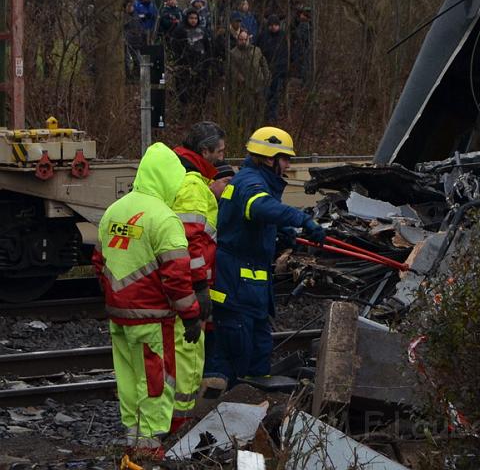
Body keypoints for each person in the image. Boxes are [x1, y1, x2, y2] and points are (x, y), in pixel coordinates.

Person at [92, 142, 201, 459]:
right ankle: (150, 448)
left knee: (128, 380)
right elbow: (177, 278)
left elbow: (99, 261)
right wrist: (191, 315)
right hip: (152, 318)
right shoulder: (165, 219)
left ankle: (134, 440)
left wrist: (117, 295)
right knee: (156, 381)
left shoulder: (115, 210)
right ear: (166, 178)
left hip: (118, 316)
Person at [205, 127, 325, 387]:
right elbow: (259, 206)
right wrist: (302, 220)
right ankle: (228, 413)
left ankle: (252, 408)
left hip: (250, 290)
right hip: (238, 288)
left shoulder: (254, 180)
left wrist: (282, 232)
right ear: (271, 159)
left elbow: (252, 219)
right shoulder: (251, 183)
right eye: (286, 159)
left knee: (257, 355)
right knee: (237, 360)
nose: (288, 165)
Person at [169, 122, 226, 433]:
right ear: (204, 151)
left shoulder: (184, 176)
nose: (220, 158)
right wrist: (201, 286)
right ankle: (181, 425)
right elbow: (192, 241)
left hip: (183, 281)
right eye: (218, 152)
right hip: (190, 286)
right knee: (188, 355)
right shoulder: (193, 185)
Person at [229, 29, 269, 132]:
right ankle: (247, 131)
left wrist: (267, 76)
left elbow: (263, 63)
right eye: (241, 39)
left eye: (245, 39)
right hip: (245, 87)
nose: (243, 41)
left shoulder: (256, 50)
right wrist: (240, 78)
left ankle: (259, 129)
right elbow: (233, 69)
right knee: (248, 110)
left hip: (259, 84)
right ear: (238, 40)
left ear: (248, 39)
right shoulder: (234, 53)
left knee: (260, 109)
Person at [171, 8, 211, 106]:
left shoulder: (203, 30)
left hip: (200, 65)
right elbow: (174, 46)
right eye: (191, 18)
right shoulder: (180, 30)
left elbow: (208, 47)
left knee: (200, 90)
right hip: (184, 65)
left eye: (195, 18)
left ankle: (199, 109)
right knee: (183, 90)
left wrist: (207, 63)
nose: (193, 20)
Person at [256, 15, 287, 121]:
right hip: (265, 70)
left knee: (274, 95)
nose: (273, 27)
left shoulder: (282, 36)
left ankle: (272, 116)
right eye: (271, 25)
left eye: (275, 25)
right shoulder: (263, 36)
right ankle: (264, 115)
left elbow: (285, 53)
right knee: (265, 93)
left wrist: (284, 69)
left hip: (278, 70)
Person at [31, 0, 59, 77]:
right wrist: (36, 16)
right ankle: (31, 75)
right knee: (33, 49)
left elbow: (57, 7)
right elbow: (32, 4)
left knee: (47, 50)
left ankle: (47, 75)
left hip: (48, 24)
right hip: (36, 23)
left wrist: (47, 16)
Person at [123, 0, 146, 81]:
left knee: (138, 61)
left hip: (136, 42)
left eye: (131, 6)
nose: (130, 8)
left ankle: (135, 77)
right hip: (127, 42)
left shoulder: (136, 16)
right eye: (128, 6)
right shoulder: (124, 17)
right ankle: (128, 78)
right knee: (127, 61)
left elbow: (140, 28)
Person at [291, 5, 312, 85]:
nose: (300, 15)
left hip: (302, 48)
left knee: (303, 64)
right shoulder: (305, 24)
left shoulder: (304, 25)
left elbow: (300, 36)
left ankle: (304, 81)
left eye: (302, 14)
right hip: (302, 47)